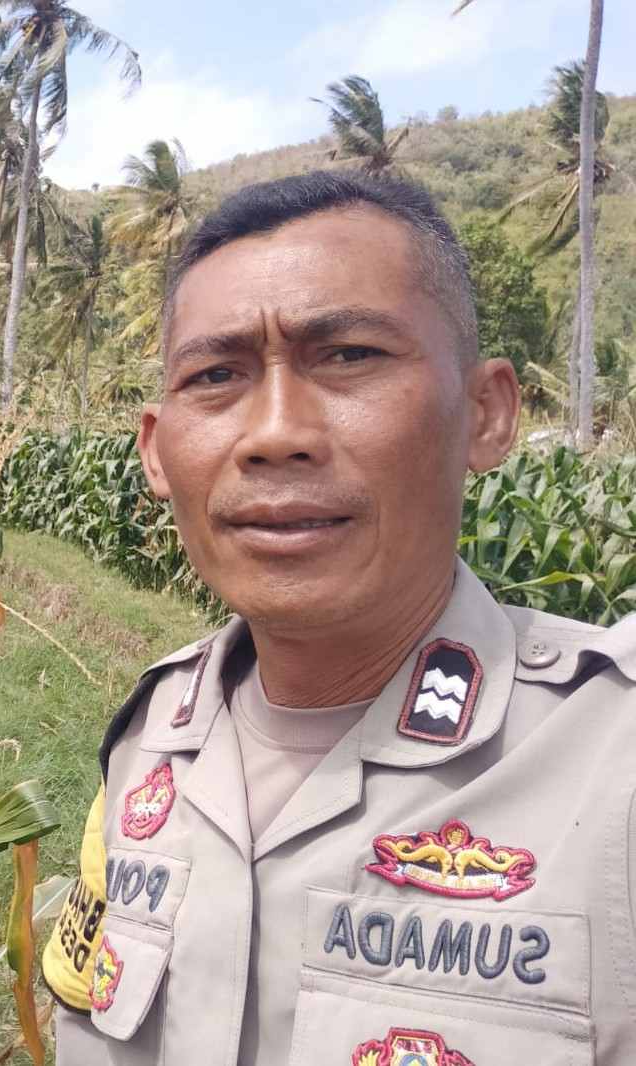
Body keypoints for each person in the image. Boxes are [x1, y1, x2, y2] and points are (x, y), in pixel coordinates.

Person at [41, 171, 636, 1064]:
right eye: (215, 375)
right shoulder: (148, 743)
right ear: (156, 451)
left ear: (486, 413)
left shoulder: (612, 757)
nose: (274, 432)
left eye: (350, 354)